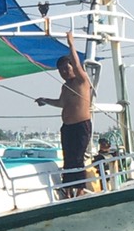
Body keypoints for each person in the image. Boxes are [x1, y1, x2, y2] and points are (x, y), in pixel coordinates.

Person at [35, 32, 93, 196]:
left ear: (72, 68)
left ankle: (80, 190)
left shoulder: (81, 81)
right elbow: (61, 103)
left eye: (67, 68)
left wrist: (71, 44)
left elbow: (77, 63)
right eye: (61, 70)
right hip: (67, 127)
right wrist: (45, 100)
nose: (64, 72)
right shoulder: (65, 87)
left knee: (77, 158)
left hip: (81, 126)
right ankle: (67, 189)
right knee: (68, 158)